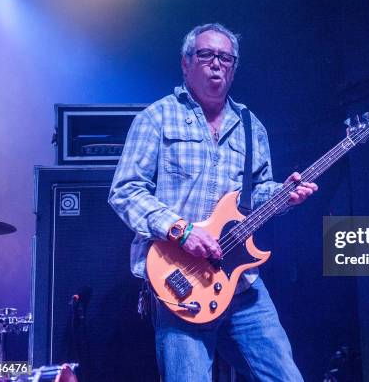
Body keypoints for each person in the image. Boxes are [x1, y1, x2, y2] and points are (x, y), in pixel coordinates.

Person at [108, 23, 318, 381]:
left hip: (240, 280)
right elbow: (125, 191)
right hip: (181, 281)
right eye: (206, 55)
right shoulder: (156, 118)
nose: (216, 64)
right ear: (186, 63)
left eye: (225, 57)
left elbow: (254, 195)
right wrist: (181, 230)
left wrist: (285, 195)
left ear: (234, 68)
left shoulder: (253, 127)